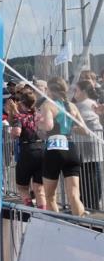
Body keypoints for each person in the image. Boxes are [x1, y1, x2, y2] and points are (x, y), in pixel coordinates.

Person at [39, 76, 86, 216]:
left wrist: (38, 124)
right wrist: (71, 127)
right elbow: (84, 129)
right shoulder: (72, 106)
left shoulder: (48, 104)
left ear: (50, 90)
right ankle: (81, 225)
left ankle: (56, 227)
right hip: (71, 148)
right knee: (74, 195)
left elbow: (48, 126)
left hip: (54, 149)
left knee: (50, 196)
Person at [9, 90, 46, 209]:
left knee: (22, 187)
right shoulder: (38, 116)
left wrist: (12, 133)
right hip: (42, 150)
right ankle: (43, 213)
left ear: (22, 103)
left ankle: (30, 210)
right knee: (39, 188)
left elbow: (16, 133)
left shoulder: (20, 117)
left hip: (27, 151)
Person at [73, 80, 103, 210]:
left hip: (87, 148)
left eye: (77, 90)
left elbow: (82, 122)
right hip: (88, 147)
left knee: (89, 179)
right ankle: (91, 204)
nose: (75, 93)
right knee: (91, 177)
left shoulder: (85, 104)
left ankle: (90, 206)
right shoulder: (86, 104)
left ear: (84, 92)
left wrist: (71, 126)